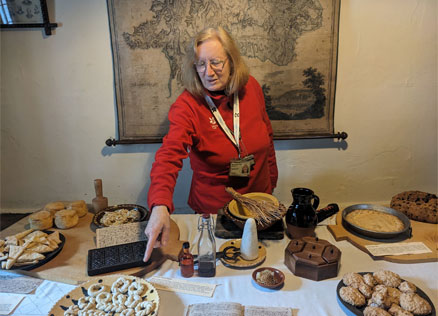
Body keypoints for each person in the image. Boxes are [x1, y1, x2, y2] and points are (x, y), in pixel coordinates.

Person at [143, 27, 278, 262]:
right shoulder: (187, 106)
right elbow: (168, 156)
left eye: (216, 62)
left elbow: (267, 137)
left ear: (232, 61)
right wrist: (159, 205)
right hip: (215, 214)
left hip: (258, 205)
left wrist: (271, 184)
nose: (209, 72)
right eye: (201, 64)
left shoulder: (252, 88)